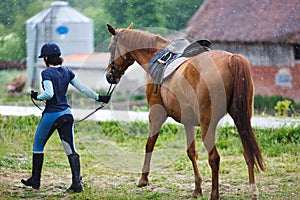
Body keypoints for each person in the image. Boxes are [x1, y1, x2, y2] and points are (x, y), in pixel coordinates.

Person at [21, 43, 110, 193]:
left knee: (38, 145)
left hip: (52, 114)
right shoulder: (67, 71)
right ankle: (76, 183)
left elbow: (49, 94)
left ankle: (35, 179)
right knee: (70, 149)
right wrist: (99, 97)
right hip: (67, 114)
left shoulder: (46, 73)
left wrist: (37, 96)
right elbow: (82, 88)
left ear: (47, 58)